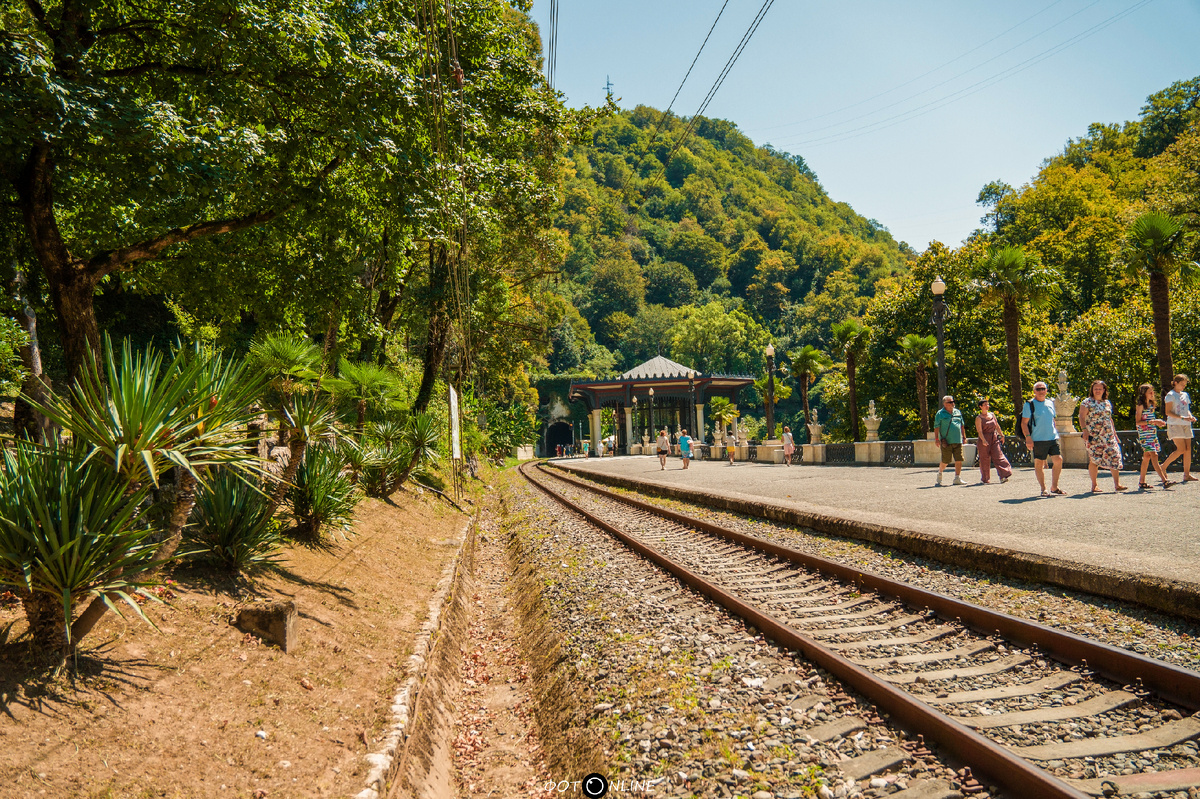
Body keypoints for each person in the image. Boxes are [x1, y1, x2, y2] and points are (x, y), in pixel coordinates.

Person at [1078, 379, 1126, 493]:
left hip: (1108, 435)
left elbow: (1109, 418)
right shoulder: (1087, 402)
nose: (1097, 391)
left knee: (1115, 456)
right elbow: (1081, 417)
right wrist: (1084, 430)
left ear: (1104, 390)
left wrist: (1115, 433)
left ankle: (1117, 484)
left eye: (1100, 389)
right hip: (1094, 436)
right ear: (1092, 390)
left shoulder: (1107, 403)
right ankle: (1094, 485)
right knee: (1095, 459)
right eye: (1095, 389)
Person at [1022, 381, 1063, 497]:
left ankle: (1054, 487)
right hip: (1038, 439)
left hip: (1052, 437)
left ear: (1046, 390)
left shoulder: (1050, 403)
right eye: (1038, 389)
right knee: (1039, 463)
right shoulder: (1029, 404)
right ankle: (1043, 488)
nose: (1041, 391)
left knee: (1058, 460)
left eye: (1043, 389)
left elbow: (1052, 419)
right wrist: (1028, 438)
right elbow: (1024, 423)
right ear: (1034, 391)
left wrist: (1055, 431)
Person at [1136, 383, 1174, 490]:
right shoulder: (1140, 405)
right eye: (1150, 392)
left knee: (1147, 457)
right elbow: (1138, 422)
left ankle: (1142, 482)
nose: (1152, 393)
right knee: (1154, 455)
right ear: (1144, 393)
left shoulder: (1151, 405)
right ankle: (1164, 481)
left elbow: (1150, 420)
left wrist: (1157, 423)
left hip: (1152, 433)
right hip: (1145, 434)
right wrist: (1154, 422)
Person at [1163, 374, 1197, 481]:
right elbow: (1168, 412)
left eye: (1185, 384)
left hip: (1186, 424)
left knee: (1188, 449)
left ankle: (1187, 474)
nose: (1183, 386)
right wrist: (1182, 418)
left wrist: (1190, 416)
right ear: (1175, 383)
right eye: (1182, 384)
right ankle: (1163, 467)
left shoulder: (1185, 395)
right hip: (1175, 424)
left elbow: (1186, 409)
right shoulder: (1170, 395)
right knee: (1181, 449)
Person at [974, 398, 1011, 484]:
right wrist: (983, 440)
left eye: (988, 404)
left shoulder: (992, 415)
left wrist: (1001, 435)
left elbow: (997, 426)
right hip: (984, 438)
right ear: (980, 407)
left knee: (998, 455)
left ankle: (1004, 475)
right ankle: (985, 478)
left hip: (994, 437)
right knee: (984, 459)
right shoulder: (979, 418)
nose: (987, 406)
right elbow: (979, 431)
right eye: (985, 405)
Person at [933, 395, 966, 486]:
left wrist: (964, 437)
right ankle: (940, 473)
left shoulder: (957, 412)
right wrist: (937, 439)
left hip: (958, 440)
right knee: (946, 460)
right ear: (944, 404)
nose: (953, 403)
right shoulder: (940, 414)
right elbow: (936, 427)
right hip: (946, 442)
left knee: (959, 459)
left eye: (953, 401)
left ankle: (957, 478)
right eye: (950, 402)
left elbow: (962, 425)